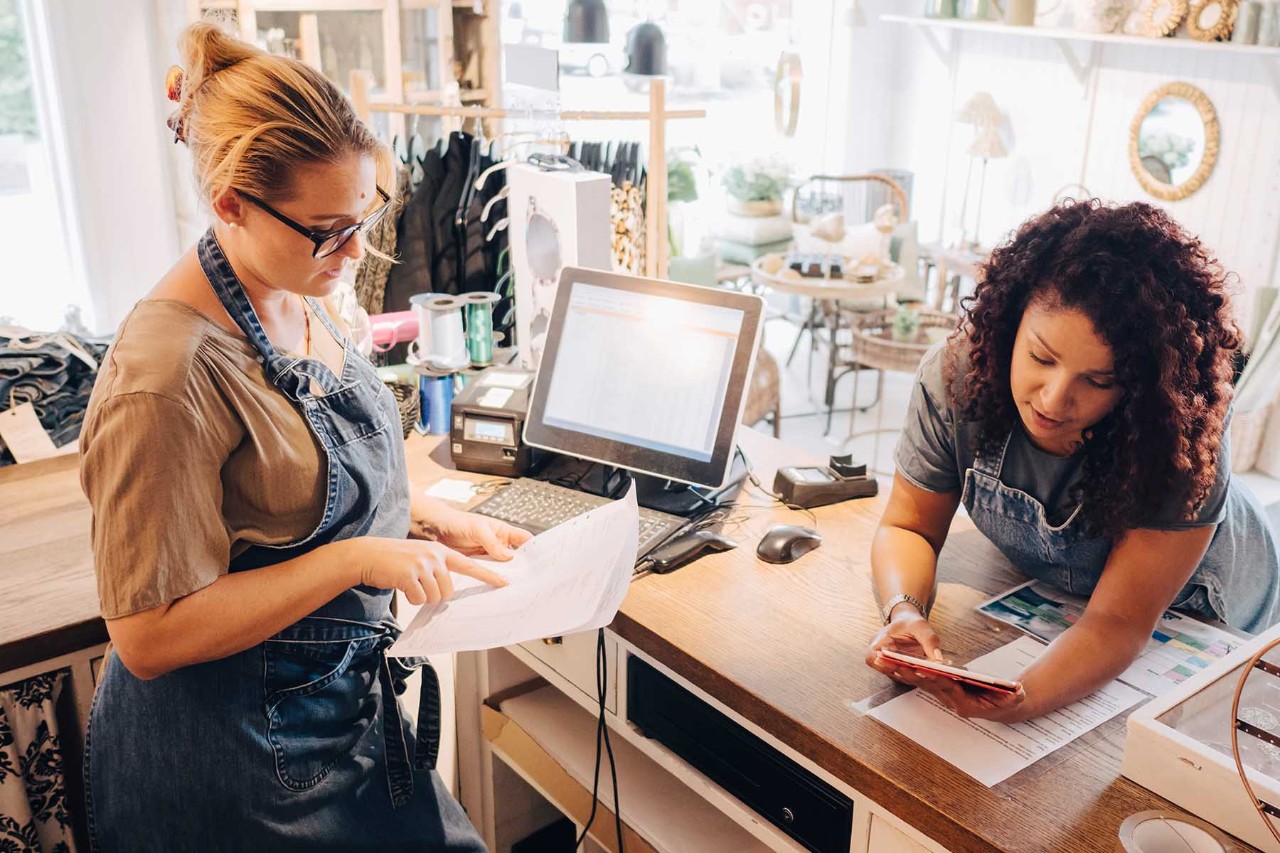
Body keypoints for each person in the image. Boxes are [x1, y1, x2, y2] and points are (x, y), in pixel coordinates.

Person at [78, 22, 530, 850]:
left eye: (365, 216)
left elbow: (283, 486)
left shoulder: (291, 281)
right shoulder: (166, 375)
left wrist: (422, 515)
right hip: (234, 767)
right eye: (330, 230)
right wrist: (357, 558)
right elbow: (146, 636)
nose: (355, 252)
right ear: (230, 204)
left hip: (332, 716)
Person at [865, 200, 1280, 723]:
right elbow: (909, 526)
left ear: (1139, 387)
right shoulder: (956, 378)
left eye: (1099, 381)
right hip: (1075, 600)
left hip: (1211, 609)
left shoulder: (1178, 434)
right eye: (1041, 358)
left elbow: (1119, 621)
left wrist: (1026, 696)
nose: (1054, 400)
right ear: (1010, 322)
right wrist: (903, 609)